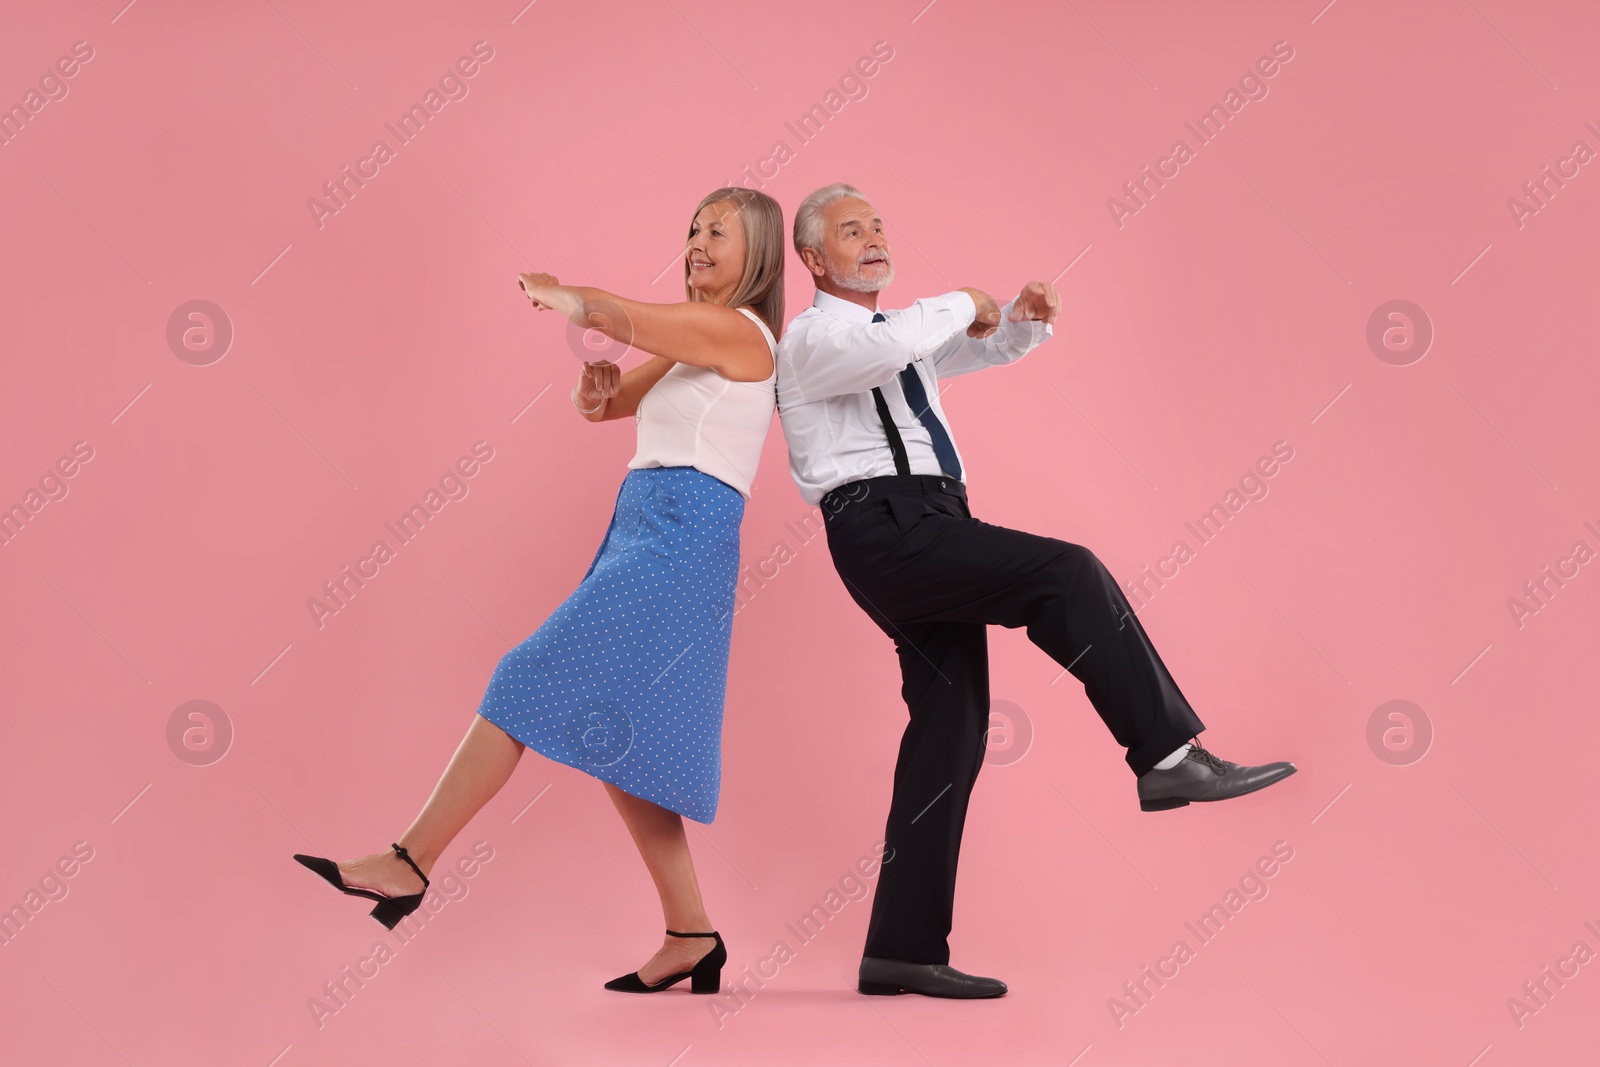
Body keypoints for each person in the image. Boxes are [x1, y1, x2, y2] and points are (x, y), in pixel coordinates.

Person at [775, 182, 1296, 999]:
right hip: (885, 524)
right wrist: (959, 298)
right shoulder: (811, 338)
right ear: (812, 256)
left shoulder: (892, 333)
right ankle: (1167, 756)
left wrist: (1023, 319)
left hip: (929, 519)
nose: (874, 236)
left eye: (879, 223)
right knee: (1067, 572)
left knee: (950, 727)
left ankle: (901, 950)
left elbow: (964, 349)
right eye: (850, 230)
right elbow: (897, 346)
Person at [293, 186, 784, 995]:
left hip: (678, 537)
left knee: (522, 676)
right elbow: (613, 402)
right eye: (693, 227)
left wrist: (575, 300)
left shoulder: (735, 330)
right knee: (619, 740)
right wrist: (597, 391)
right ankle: (692, 933)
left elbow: (628, 318)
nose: (697, 242)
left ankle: (409, 861)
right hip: (648, 526)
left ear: (758, 253)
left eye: (718, 233)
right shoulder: (698, 341)